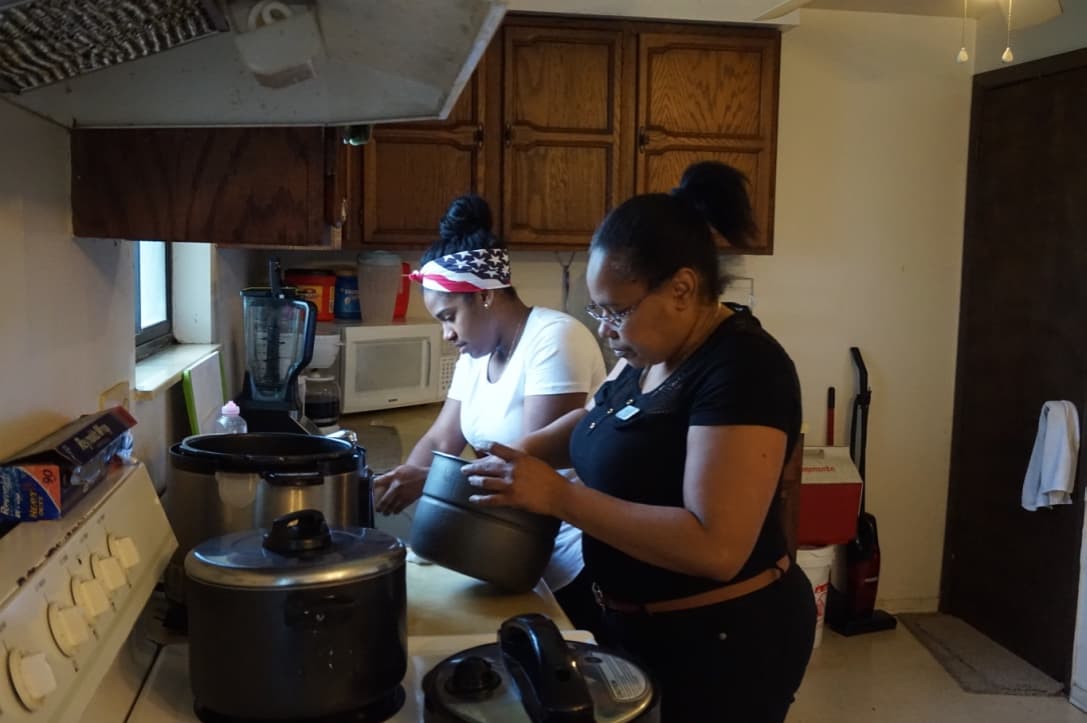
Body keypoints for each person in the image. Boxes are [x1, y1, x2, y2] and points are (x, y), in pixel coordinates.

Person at [461, 161, 816, 722]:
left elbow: (715, 546)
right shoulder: (649, 357)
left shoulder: (743, 367)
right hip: (636, 630)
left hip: (725, 644)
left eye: (616, 311)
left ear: (682, 288)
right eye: (597, 310)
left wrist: (558, 496)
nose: (604, 328)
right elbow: (595, 423)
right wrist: (518, 456)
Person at [372, 194, 607, 635]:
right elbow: (442, 439)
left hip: (565, 559)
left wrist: (434, 482)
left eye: (449, 317)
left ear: (482, 296)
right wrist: (400, 478)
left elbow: (530, 465)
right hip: (505, 551)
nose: (447, 334)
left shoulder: (554, 338)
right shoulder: (476, 356)